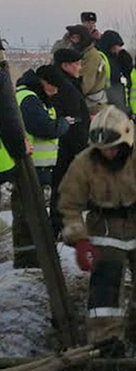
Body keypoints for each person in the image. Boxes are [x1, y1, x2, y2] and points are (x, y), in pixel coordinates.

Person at [58, 106, 136, 352]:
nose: (108, 154)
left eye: (113, 148)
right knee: (105, 286)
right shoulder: (84, 163)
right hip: (105, 229)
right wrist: (80, 240)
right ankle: (105, 341)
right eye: (102, 150)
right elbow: (69, 203)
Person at [12, 65, 72, 268]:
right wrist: (63, 125)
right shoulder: (29, 99)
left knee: (33, 216)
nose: (56, 92)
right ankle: (27, 260)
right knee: (27, 216)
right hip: (29, 168)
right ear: (45, 82)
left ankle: (33, 258)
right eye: (54, 87)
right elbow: (44, 127)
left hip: (38, 167)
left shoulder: (36, 97)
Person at [49, 48, 90, 235]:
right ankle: (61, 227)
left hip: (67, 144)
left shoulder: (66, 83)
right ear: (65, 66)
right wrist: (81, 150)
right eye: (77, 64)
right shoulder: (65, 87)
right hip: (68, 146)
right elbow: (72, 120)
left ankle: (60, 226)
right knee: (65, 188)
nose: (80, 67)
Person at [66, 24, 108, 115]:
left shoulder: (91, 56)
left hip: (93, 107)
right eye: (71, 38)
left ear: (83, 39)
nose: (72, 42)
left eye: (75, 38)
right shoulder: (81, 54)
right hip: (87, 105)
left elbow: (85, 85)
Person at [97, 30, 132, 112]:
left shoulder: (118, 57)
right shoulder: (100, 56)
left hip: (117, 93)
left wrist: (124, 55)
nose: (117, 48)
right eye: (115, 46)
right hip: (105, 93)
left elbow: (128, 71)